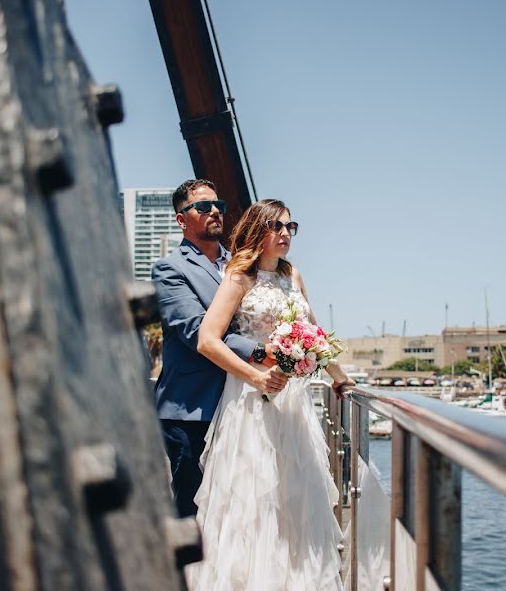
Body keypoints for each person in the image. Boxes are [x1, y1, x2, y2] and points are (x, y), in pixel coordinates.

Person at [188, 199, 354, 591]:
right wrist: (256, 378)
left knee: (293, 491)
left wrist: (340, 377)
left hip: (293, 403)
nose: (285, 234)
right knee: (252, 494)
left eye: (290, 227)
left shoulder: (293, 275)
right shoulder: (238, 277)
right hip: (250, 399)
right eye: (276, 227)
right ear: (257, 231)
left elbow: (314, 331)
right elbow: (208, 341)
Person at [152, 180, 288, 518]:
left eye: (219, 206)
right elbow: (197, 331)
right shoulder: (170, 271)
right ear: (181, 220)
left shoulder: (243, 266)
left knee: (238, 511)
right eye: (202, 207)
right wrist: (260, 351)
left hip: (242, 405)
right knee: (194, 508)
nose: (215, 211)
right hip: (191, 410)